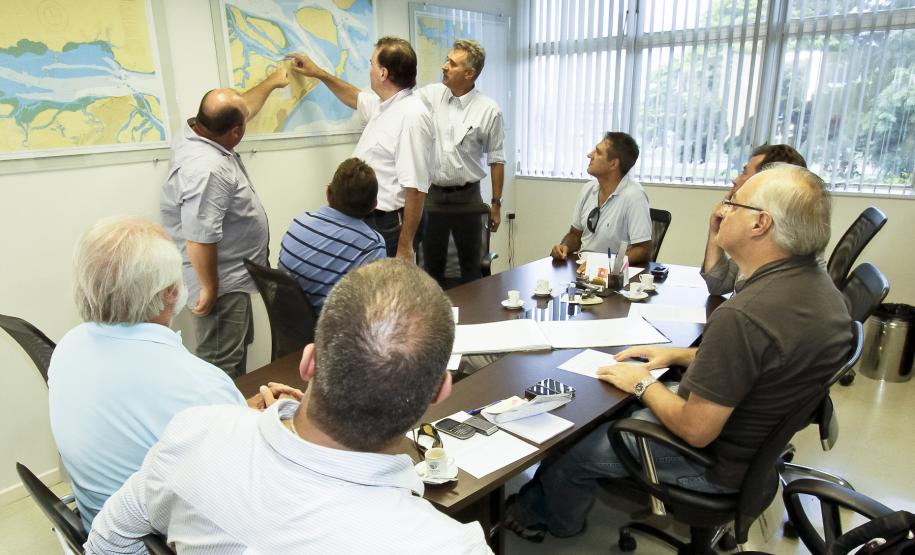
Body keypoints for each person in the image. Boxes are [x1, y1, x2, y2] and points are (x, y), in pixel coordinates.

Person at [507, 164, 852, 542]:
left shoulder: (745, 315)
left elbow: (695, 429)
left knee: (573, 443)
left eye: (733, 203)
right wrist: (678, 355)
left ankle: (552, 520)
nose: (722, 210)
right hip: (752, 451)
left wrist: (641, 384)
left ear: (761, 224)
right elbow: (768, 362)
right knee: (624, 400)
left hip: (713, 464)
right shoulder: (820, 291)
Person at [85, 259, 492, 554]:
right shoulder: (450, 546)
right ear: (440, 391)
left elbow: (107, 540)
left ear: (309, 362)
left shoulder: (194, 432)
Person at [48, 217, 300, 531]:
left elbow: (148, 422)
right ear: (170, 292)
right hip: (161, 541)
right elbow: (254, 488)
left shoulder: (69, 346)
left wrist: (235, 412)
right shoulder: (199, 385)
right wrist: (283, 428)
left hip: (100, 527)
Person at [160, 64, 289, 378]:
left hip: (230, 276)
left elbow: (240, 107)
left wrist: (272, 82)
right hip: (222, 284)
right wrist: (210, 287)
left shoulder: (194, 131)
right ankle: (223, 424)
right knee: (221, 365)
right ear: (235, 132)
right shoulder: (209, 169)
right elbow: (200, 236)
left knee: (234, 353)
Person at [288, 37, 434, 262]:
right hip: (370, 220)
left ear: (383, 73)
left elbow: (416, 188)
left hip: (391, 225)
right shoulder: (384, 105)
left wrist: (405, 248)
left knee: (388, 292)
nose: (370, 71)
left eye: (371, 64)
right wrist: (318, 73)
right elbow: (354, 97)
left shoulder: (412, 116)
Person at [416, 39, 505, 286]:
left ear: (469, 73)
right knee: (429, 268)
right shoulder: (430, 95)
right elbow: (400, 103)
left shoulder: (489, 110)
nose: (444, 66)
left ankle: (472, 320)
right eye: (447, 60)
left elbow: (497, 160)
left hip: (468, 199)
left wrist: (496, 204)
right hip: (433, 196)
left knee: (471, 268)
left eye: (452, 64)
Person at [278, 157, 386, 311]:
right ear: (374, 205)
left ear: (328, 193)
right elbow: (370, 308)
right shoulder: (372, 245)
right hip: (333, 330)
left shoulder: (299, 223)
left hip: (291, 327)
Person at [701, 144, 807, 295]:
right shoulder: (761, 230)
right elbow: (717, 284)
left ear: (763, 183)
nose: (736, 180)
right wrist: (715, 229)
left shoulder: (780, 244)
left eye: (744, 173)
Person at [549, 132, 652, 266]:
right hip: (582, 269)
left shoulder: (634, 196)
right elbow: (575, 234)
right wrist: (565, 246)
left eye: (598, 152)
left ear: (613, 164)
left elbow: (643, 249)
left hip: (613, 276)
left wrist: (606, 264)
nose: (590, 155)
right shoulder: (588, 189)